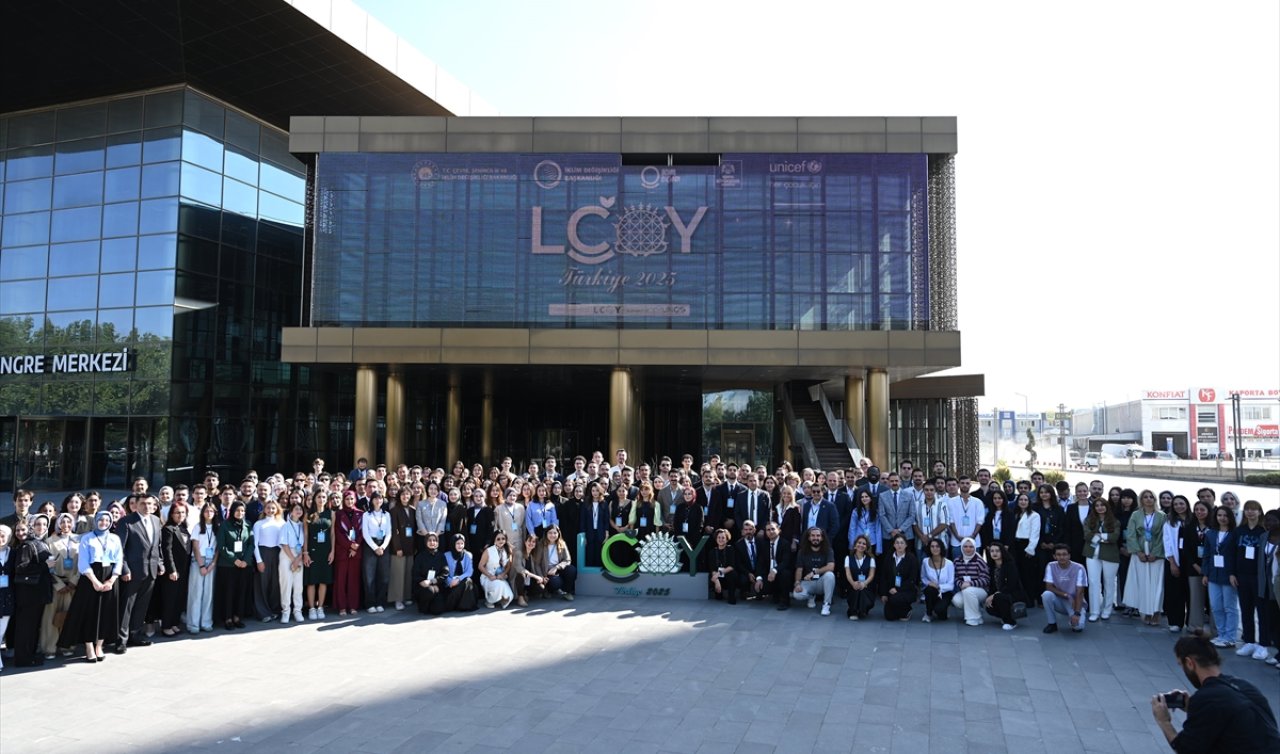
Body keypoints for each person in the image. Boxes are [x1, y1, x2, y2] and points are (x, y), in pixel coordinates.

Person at [1150, 632, 1280, 752]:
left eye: (1181, 664)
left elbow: (1186, 749)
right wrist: (1192, 707)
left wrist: (1164, 721)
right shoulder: (1244, 685)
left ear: (1190, 663)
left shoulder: (1206, 698)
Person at [58, 511, 122, 663]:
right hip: (90, 579)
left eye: (107, 520)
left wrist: (112, 580)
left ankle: (99, 645)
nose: (104, 522)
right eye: (101, 520)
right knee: (89, 613)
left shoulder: (114, 538)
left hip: (110, 578)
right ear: (96, 521)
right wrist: (95, 581)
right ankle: (89, 646)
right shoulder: (87, 538)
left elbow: (119, 560)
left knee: (106, 612)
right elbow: (83, 563)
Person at [117, 494, 163, 652]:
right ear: (135, 505)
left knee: (141, 606)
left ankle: (134, 635)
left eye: (150, 504)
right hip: (132, 572)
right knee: (126, 607)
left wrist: (160, 564)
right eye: (143, 503)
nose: (147, 506)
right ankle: (121, 639)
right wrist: (124, 569)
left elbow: (158, 545)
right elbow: (119, 549)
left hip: (151, 571)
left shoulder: (156, 521)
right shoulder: (126, 521)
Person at [1227, 500, 1271, 662]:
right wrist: (1232, 573)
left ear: (1260, 512)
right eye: (1247, 509)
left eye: (1254, 509)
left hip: (1259, 577)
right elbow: (1232, 553)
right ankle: (1249, 641)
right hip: (1241, 576)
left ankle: (1263, 644)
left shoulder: (1264, 531)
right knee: (1245, 610)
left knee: (1262, 611)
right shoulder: (1239, 531)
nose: (1250, 512)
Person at [9, 517, 54, 666]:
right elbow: (21, 568)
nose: (41, 527)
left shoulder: (40, 543)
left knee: (32, 627)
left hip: (37, 593)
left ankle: (29, 656)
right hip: (29, 595)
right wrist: (45, 565)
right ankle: (23, 659)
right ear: (31, 527)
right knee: (26, 628)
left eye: (44, 524)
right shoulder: (27, 545)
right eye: (37, 524)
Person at [1124, 490, 1167, 627]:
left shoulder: (1162, 516)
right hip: (1140, 553)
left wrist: (1156, 552)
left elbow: (1163, 535)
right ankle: (1145, 611)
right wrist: (1138, 552)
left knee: (1156, 584)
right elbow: (1131, 534)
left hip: (1156, 554)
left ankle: (1156, 612)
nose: (1148, 499)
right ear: (1141, 500)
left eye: (1151, 497)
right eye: (1145, 497)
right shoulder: (1136, 515)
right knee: (1143, 584)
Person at [41, 514, 79, 658]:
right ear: (57, 524)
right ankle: (49, 647)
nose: (65, 524)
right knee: (50, 617)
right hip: (56, 584)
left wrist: (74, 582)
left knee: (69, 616)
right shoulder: (50, 541)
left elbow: (83, 564)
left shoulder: (79, 540)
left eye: (69, 521)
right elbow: (48, 566)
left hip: (73, 584)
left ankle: (67, 645)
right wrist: (59, 584)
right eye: (62, 521)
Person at [1203, 506, 1238, 647]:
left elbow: (1236, 556)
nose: (1222, 518)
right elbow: (1206, 555)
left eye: (1225, 515)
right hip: (1213, 574)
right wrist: (1205, 573)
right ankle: (1221, 634)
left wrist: (1233, 573)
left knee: (1229, 607)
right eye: (1219, 515)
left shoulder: (1235, 534)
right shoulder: (1211, 533)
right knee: (1216, 606)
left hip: (1228, 575)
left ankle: (1230, 637)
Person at [1083, 496, 1122, 622]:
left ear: (1107, 506)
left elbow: (1114, 537)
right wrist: (1105, 538)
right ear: (1094, 508)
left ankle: (1107, 610)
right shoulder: (1089, 520)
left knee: (1109, 583)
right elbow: (1087, 536)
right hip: (1092, 554)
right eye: (1097, 506)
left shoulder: (1115, 521)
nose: (1100, 508)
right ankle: (1094, 611)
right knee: (1093, 583)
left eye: (1102, 505)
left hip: (1110, 555)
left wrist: (1099, 536)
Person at [217, 501, 254, 630]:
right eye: (238, 510)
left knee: (241, 591)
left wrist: (245, 560)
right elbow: (221, 546)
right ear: (232, 511)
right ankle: (227, 618)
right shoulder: (224, 525)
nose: (240, 513)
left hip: (244, 565)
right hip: (228, 565)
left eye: (242, 511)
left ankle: (238, 617)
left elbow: (251, 544)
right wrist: (235, 560)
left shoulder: (248, 525)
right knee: (229, 592)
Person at [158, 503, 191, 637]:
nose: (180, 515)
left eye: (183, 513)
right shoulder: (168, 529)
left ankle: (174, 623)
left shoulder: (183, 528)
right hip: (173, 570)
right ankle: (166, 625)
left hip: (184, 569)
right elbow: (167, 550)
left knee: (179, 597)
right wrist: (171, 570)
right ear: (171, 514)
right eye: (177, 512)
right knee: (170, 598)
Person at [1041, 543, 1088, 634]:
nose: (1062, 557)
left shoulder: (1079, 568)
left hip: (1075, 602)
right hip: (1060, 599)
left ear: (1069, 555)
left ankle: (1075, 617)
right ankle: (1052, 623)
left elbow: (1080, 592)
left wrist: (1077, 613)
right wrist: (1066, 595)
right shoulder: (1051, 566)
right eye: (1058, 555)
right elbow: (1049, 587)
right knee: (1046, 595)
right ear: (1054, 556)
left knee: (1078, 627)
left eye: (1064, 554)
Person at [187, 502, 218, 634]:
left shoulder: (218, 527)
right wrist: (201, 565)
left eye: (211, 511)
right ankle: (193, 624)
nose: (209, 513)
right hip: (198, 561)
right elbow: (195, 546)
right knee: (196, 593)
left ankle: (206, 622)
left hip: (212, 562)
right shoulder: (198, 527)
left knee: (208, 594)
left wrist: (212, 564)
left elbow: (218, 549)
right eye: (206, 511)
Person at [304, 491, 334, 620]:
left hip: (326, 550)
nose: (321, 499)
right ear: (314, 499)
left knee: (323, 580)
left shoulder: (331, 514)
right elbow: (305, 535)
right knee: (312, 581)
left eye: (323, 497)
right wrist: (305, 553)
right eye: (318, 497)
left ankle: (320, 607)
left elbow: (332, 534)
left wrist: (333, 551)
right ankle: (311, 608)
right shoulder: (308, 514)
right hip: (312, 551)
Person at [792, 527, 836, 615]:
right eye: (813, 536)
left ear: (822, 538)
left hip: (821, 582)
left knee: (830, 575)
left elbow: (831, 567)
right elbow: (799, 569)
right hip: (808, 582)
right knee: (797, 595)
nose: (815, 538)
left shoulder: (828, 550)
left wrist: (814, 572)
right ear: (808, 538)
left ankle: (826, 604)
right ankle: (811, 596)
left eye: (818, 536)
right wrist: (797, 583)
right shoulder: (802, 551)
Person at [1164, 494, 1191, 633]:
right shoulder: (1170, 522)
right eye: (1176, 504)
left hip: (1191, 562)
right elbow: (1167, 542)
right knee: (1175, 593)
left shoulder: (1193, 521)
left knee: (1191, 593)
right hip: (1175, 560)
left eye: (1181, 503)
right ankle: (1175, 621)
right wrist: (1172, 563)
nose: (1179, 506)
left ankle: (1191, 622)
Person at [333, 490, 363, 616]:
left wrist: (356, 546)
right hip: (343, 552)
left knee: (353, 580)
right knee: (341, 580)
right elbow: (338, 533)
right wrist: (350, 545)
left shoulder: (361, 514)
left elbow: (362, 532)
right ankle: (342, 607)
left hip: (356, 552)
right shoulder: (338, 514)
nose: (349, 501)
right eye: (347, 499)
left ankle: (353, 606)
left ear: (355, 500)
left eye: (352, 499)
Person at [361, 492, 392, 613]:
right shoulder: (366, 515)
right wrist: (375, 548)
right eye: (376, 498)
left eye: (380, 498)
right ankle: (370, 603)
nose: (378, 501)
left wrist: (383, 547)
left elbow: (389, 532)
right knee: (369, 577)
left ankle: (380, 602)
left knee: (384, 577)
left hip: (384, 544)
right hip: (370, 546)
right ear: (372, 500)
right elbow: (365, 534)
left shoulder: (387, 515)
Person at [984, 542, 1026, 630]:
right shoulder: (992, 566)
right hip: (999, 595)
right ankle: (1005, 617)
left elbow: (1011, 585)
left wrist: (994, 595)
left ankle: (1011, 622)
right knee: (989, 606)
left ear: (1002, 551)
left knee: (999, 597)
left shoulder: (1010, 565)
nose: (994, 553)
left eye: (997, 551)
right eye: (992, 551)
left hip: (1013, 594)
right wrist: (990, 596)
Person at [878, 533, 919, 621]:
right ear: (894, 545)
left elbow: (912, 579)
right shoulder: (889, 557)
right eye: (897, 543)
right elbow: (883, 576)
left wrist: (898, 589)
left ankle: (907, 610)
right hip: (891, 590)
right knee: (889, 616)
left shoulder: (912, 559)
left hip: (906, 590)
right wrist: (883, 593)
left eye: (902, 543)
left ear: (906, 545)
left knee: (895, 599)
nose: (899, 545)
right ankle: (899, 610)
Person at [951, 537, 990, 627]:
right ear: (961, 547)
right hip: (965, 589)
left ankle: (972, 618)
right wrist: (961, 584)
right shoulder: (957, 561)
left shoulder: (980, 561)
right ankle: (977, 613)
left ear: (975, 547)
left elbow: (986, 579)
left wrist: (970, 584)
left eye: (971, 547)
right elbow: (955, 577)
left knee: (969, 591)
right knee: (956, 600)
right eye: (965, 546)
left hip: (981, 591)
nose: (968, 549)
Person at [388, 486, 416, 610]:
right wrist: (397, 547)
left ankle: (406, 596)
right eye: (403, 494)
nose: (405, 497)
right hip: (398, 548)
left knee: (408, 573)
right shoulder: (394, 510)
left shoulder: (413, 510)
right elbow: (394, 530)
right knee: (398, 574)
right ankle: (397, 599)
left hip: (410, 546)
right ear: (399, 496)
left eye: (407, 494)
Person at [278, 501, 306, 623]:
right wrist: (293, 559)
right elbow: (284, 544)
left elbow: (304, 544)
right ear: (291, 511)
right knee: (286, 584)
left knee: (298, 585)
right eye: (296, 509)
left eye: (300, 509)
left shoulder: (302, 525)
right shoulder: (285, 525)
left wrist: (298, 559)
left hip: (299, 555)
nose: (298, 511)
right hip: (287, 555)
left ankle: (297, 611)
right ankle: (286, 611)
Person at [532, 526, 576, 600]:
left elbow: (567, 560)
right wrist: (541, 577)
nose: (552, 535)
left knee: (571, 570)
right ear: (546, 534)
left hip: (558, 568)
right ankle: (549, 590)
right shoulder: (541, 545)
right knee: (555, 583)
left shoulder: (562, 544)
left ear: (558, 534)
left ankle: (568, 592)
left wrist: (556, 567)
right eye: (550, 533)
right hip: (547, 572)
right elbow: (537, 563)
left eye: (555, 533)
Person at [920, 537, 955, 623]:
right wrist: (929, 583)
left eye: (937, 546)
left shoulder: (949, 563)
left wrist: (939, 587)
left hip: (945, 592)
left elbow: (951, 585)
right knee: (929, 589)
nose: (935, 548)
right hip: (932, 591)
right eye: (932, 546)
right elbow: (923, 577)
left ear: (941, 548)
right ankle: (928, 613)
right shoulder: (925, 561)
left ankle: (939, 609)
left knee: (941, 615)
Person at [412, 532, 448, 615]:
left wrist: (433, 581)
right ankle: (422, 606)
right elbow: (415, 573)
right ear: (426, 542)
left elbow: (445, 572)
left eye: (434, 540)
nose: (432, 542)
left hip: (437, 586)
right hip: (423, 586)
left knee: (438, 610)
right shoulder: (420, 556)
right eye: (430, 540)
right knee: (430, 591)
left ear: (437, 543)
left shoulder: (441, 556)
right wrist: (423, 582)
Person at [442, 534, 479, 613]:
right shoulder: (446, 555)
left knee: (468, 581)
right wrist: (450, 582)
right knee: (467, 583)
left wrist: (458, 579)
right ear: (453, 544)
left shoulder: (468, 555)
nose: (460, 546)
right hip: (451, 585)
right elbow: (444, 572)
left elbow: (469, 571)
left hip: (462, 582)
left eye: (462, 543)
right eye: (458, 543)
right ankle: (462, 605)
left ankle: (463, 606)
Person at [843, 534, 877, 620]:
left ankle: (863, 609)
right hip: (853, 585)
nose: (861, 545)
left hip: (866, 586)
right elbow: (848, 574)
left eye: (864, 544)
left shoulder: (871, 559)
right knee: (856, 589)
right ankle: (853, 611)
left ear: (866, 547)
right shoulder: (848, 558)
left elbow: (871, 575)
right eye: (859, 543)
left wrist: (864, 583)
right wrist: (853, 583)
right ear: (855, 545)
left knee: (862, 590)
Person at [479, 530, 515, 609]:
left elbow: (509, 566)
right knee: (499, 586)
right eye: (498, 539)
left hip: (500, 577)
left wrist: (503, 574)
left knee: (510, 596)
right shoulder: (488, 550)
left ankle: (498, 599)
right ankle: (489, 600)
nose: (501, 541)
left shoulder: (508, 550)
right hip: (488, 577)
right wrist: (489, 575)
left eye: (503, 538)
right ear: (494, 539)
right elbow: (480, 566)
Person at [708, 528, 737, 604]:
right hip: (717, 577)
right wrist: (716, 580)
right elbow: (712, 568)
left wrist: (719, 573)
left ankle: (731, 597)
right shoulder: (712, 552)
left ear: (727, 539)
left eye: (723, 538)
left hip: (727, 574)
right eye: (719, 537)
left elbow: (731, 566)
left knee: (732, 574)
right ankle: (718, 593)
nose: (721, 539)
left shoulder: (730, 549)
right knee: (718, 598)